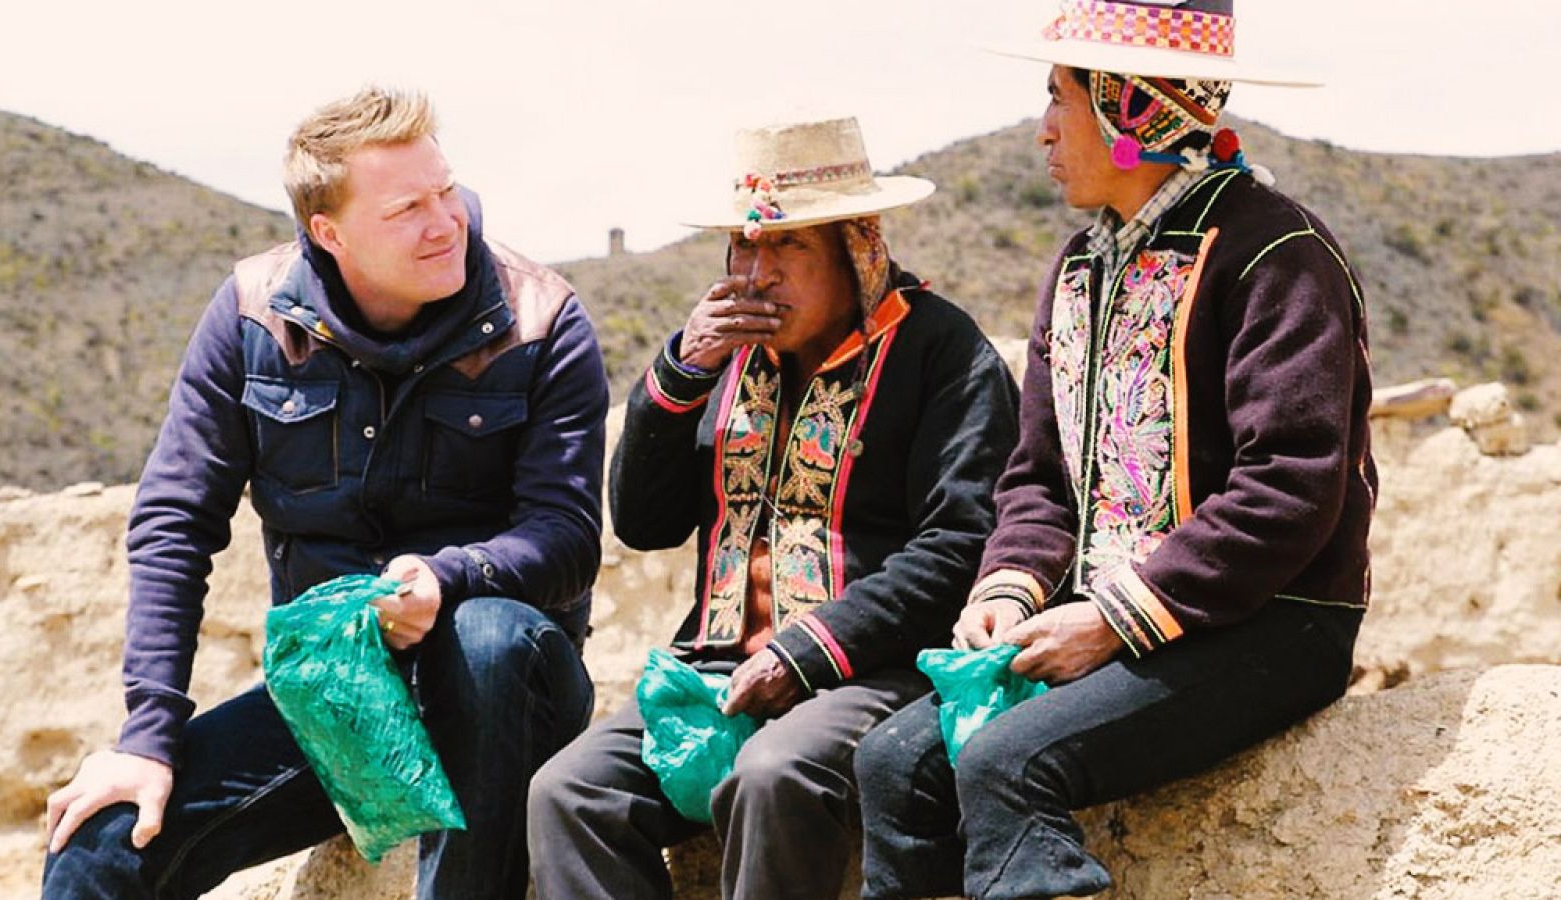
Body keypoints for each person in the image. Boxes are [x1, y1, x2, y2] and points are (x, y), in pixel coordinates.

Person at [855, 2, 1378, 897]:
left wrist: (1113, 617)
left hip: (1272, 621)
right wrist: (1008, 588)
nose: (1041, 131)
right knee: (892, 762)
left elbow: (1291, 484)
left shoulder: (1275, 254)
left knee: (1007, 762)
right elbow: (1039, 476)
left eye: (1060, 98)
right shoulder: (1080, 268)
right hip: (1121, 619)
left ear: (1132, 109)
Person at [41, 87, 608, 900]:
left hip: (511, 689)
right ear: (328, 232)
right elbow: (175, 523)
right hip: (338, 695)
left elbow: (566, 534)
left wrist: (447, 578)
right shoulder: (249, 316)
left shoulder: (541, 317)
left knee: (483, 639)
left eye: (445, 190)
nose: (445, 222)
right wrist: (147, 737)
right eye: (407, 207)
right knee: (99, 842)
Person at [526, 116, 1019, 900]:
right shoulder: (725, 360)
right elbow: (643, 524)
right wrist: (678, 376)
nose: (756, 274)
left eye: (787, 246)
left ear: (857, 247)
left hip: (874, 672)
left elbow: (964, 539)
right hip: (718, 666)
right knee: (571, 792)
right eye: (743, 247)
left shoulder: (944, 354)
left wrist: (808, 651)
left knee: (772, 771)